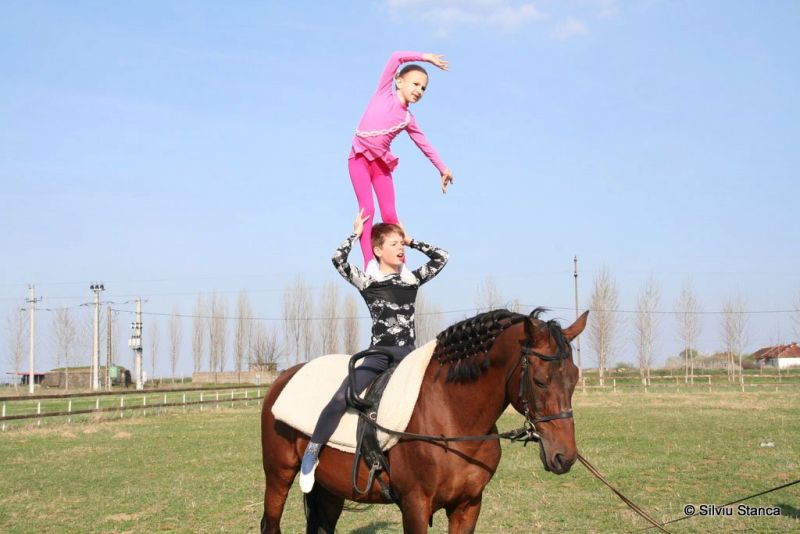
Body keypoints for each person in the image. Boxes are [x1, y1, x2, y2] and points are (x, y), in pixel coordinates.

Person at [298, 209, 448, 493]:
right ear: (378, 250)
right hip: (379, 355)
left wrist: (412, 239)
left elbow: (442, 257)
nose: (401, 249)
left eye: (401, 244)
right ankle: (312, 452)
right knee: (342, 396)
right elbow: (337, 260)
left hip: (410, 357)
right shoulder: (368, 282)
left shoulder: (412, 280)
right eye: (395, 244)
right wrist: (356, 234)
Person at [350, 51, 454, 268]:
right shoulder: (383, 94)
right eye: (415, 84)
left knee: (390, 215)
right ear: (398, 81)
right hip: (359, 160)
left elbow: (424, 143)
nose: (419, 91)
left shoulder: (408, 118)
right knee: (368, 208)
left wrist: (442, 168)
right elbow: (396, 57)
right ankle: (369, 261)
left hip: (381, 166)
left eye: (424, 88)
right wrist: (426, 58)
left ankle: (401, 266)